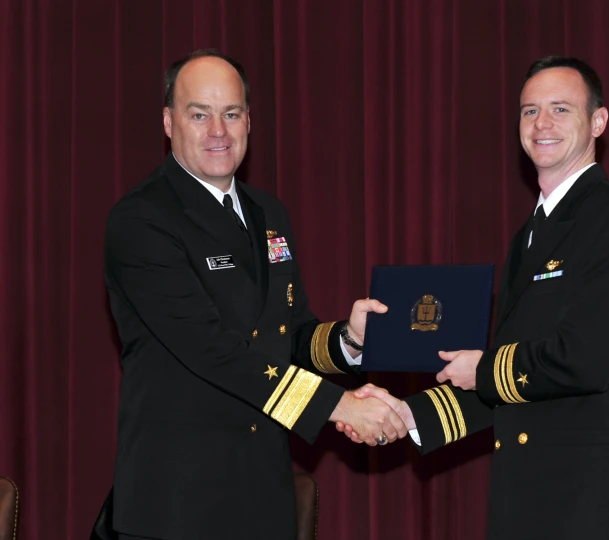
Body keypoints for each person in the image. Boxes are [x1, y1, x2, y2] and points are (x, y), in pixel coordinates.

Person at [342, 56, 609, 539]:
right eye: (529, 111)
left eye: (560, 109)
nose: (542, 124)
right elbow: (508, 380)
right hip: (523, 501)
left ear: (598, 121)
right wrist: (405, 416)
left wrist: (484, 369)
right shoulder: (531, 234)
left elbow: (586, 359)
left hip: (587, 504)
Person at [102, 49, 406, 540]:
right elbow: (214, 350)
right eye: (199, 114)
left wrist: (348, 339)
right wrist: (338, 406)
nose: (218, 131)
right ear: (167, 122)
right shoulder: (141, 221)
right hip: (179, 504)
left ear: (249, 122)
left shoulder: (268, 212)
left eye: (232, 113)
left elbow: (289, 332)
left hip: (263, 494)